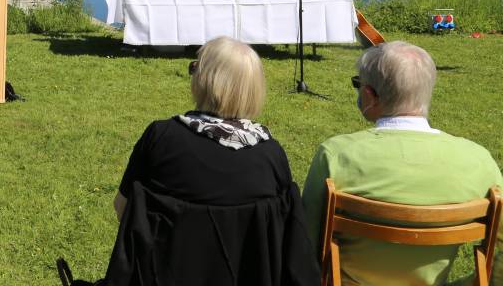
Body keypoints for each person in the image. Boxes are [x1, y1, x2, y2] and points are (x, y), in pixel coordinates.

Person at [77, 36, 317, 285]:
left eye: (195, 68)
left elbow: (123, 210)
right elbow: (286, 243)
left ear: (204, 81)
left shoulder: (161, 138)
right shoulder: (272, 155)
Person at [302, 41, 503, 285]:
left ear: (369, 95)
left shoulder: (335, 156)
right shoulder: (478, 160)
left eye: (358, 84)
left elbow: (307, 243)